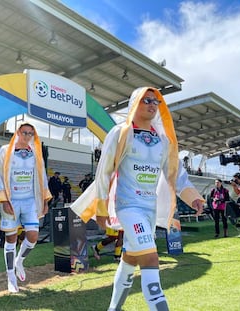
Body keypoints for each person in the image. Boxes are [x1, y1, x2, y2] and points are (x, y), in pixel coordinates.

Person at [71, 87, 204, 310]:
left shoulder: (163, 140)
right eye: (146, 100)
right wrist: (101, 208)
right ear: (135, 102)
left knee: (131, 259)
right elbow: (104, 172)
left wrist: (194, 198)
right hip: (127, 206)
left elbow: (175, 174)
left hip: (149, 209)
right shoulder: (121, 132)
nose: (152, 104)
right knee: (151, 259)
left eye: (156, 101)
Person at [0, 122, 52, 293]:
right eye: (24, 132)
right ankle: (11, 276)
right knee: (10, 239)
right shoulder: (5, 150)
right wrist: (3, 200)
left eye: (30, 133)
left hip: (30, 200)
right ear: (17, 132)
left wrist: (45, 200)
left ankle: (19, 261)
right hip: (11, 200)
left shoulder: (35, 152)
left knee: (33, 236)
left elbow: (41, 176)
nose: (27, 136)